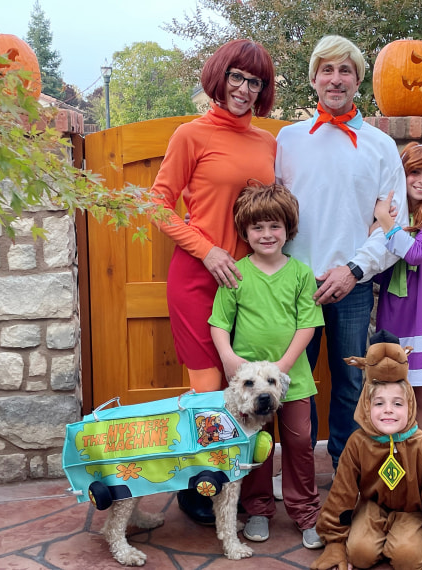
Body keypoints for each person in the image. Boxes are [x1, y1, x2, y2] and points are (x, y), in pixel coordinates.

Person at [150, 39, 276, 525]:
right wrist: (207, 249)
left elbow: (274, 213)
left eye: (256, 81)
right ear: (220, 78)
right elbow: (156, 204)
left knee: (247, 384)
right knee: (207, 389)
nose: (245, 89)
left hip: (249, 284)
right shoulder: (190, 135)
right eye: (237, 77)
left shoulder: (269, 143)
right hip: (198, 278)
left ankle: (238, 485)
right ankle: (199, 488)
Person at [275, 35, 409, 470]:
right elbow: (273, 213)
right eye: (327, 70)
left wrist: (353, 270)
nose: (336, 79)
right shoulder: (288, 141)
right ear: (314, 79)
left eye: (345, 71)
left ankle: (347, 474)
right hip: (296, 285)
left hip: (352, 285)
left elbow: (394, 225)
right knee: (294, 385)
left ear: (358, 81)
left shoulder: (380, 146)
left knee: (352, 381)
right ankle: (298, 478)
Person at [208, 182, 325, 550]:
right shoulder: (236, 273)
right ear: (245, 232)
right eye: (257, 228)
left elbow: (308, 323)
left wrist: (283, 370)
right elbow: (219, 323)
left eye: (274, 226)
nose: (266, 234)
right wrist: (228, 358)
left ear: (287, 229)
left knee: (299, 442)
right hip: (247, 386)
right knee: (254, 445)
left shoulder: (301, 274)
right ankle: (257, 509)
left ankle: (306, 512)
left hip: (295, 380)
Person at [310, 331, 422, 570]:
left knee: (407, 559)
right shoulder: (357, 442)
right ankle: (370, 538)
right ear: (366, 406)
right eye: (379, 403)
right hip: (372, 507)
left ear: (410, 404)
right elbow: (342, 493)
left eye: (398, 403)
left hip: (411, 511)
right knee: (359, 555)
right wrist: (335, 543)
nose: (388, 410)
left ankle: (411, 541)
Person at [372, 143, 422, 434]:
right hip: (394, 311)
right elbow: (379, 270)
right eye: (414, 172)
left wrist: (386, 224)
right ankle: (398, 453)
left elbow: (416, 253)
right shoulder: (395, 212)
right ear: (401, 175)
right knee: (393, 392)